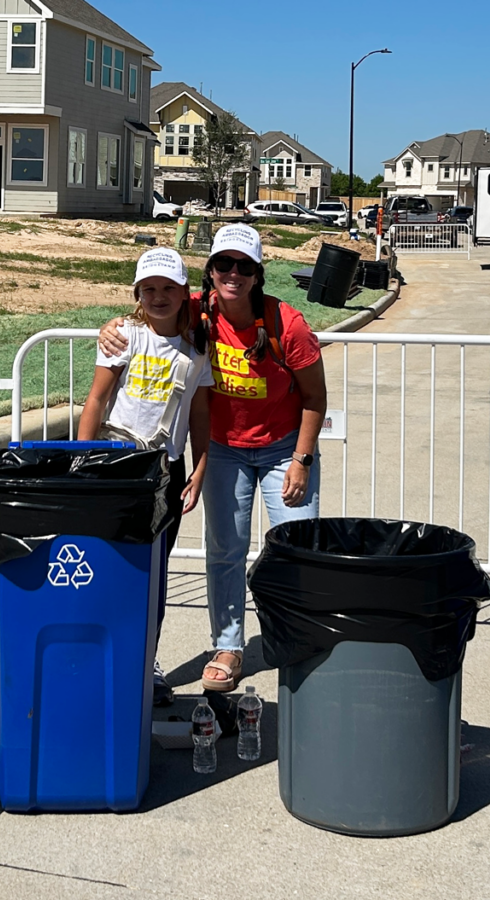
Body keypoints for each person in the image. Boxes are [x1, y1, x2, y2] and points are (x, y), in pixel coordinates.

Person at [99, 225, 326, 692]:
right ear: (210, 271)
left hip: (285, 449)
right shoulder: (195, 312)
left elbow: (315, 399)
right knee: (225, 552)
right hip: (225, 450)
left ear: (258, 274)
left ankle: (299, 640)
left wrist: (302, 459)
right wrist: (112, 326)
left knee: (297, 548)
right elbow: (150, 312)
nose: (233, 274)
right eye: (224, 264)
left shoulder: (289, 325)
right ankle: (229, 646)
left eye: (244, 266)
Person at [78, 247, 213, 705]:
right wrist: (84, 458)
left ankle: (145, 661)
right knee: (109, 563)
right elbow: (97, 399)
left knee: (154, 570)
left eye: (168, 289)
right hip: (117, 465)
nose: (159, 297)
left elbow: (198, 411)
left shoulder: (197, 348)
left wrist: (199, 467)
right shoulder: (124, 336)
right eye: (149, 289)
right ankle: (101, 653)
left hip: (166, 472)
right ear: (137, 293)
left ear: (184, 293)